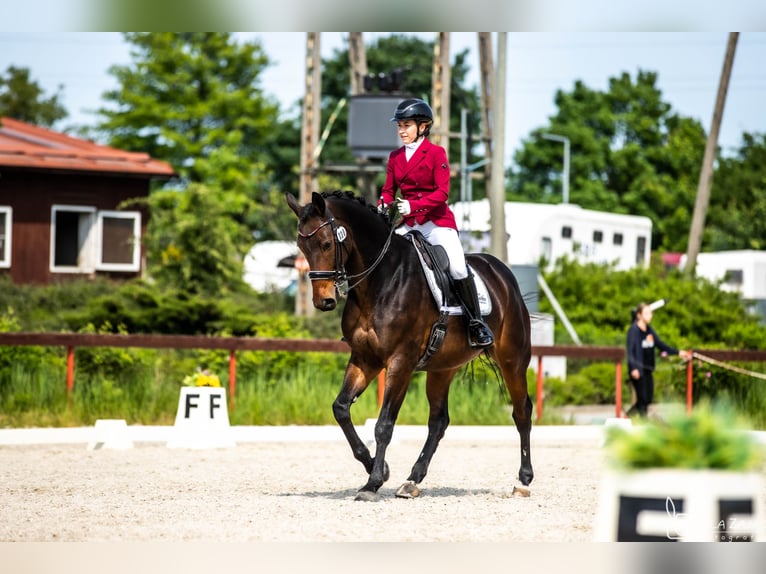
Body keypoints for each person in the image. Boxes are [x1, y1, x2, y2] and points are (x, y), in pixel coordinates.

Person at [377, 98, 493, 348]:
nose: (401, 130)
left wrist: (413, 206)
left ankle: (476, 323)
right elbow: (388, 190)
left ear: (422, 126)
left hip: (436, 221)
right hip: (408, 223)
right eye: (399, 125)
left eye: (406, 125)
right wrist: (383, 203)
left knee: (459, 268)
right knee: (383, 258)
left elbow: (442, 193)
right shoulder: (395, 156)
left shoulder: (436, 153)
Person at [626, 302, 691, 417]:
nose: (650, 315)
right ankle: (633, 420)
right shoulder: (634, 330)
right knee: (643, 400)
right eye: (646, 313)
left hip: (648, 370)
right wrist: (633, 368)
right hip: (638, 370)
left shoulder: (649, 330)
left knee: (647, 399)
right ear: (639, 315)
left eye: (650, 313)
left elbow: (661, 345)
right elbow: (630, 351)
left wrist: (678, 352)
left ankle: (627, 417)